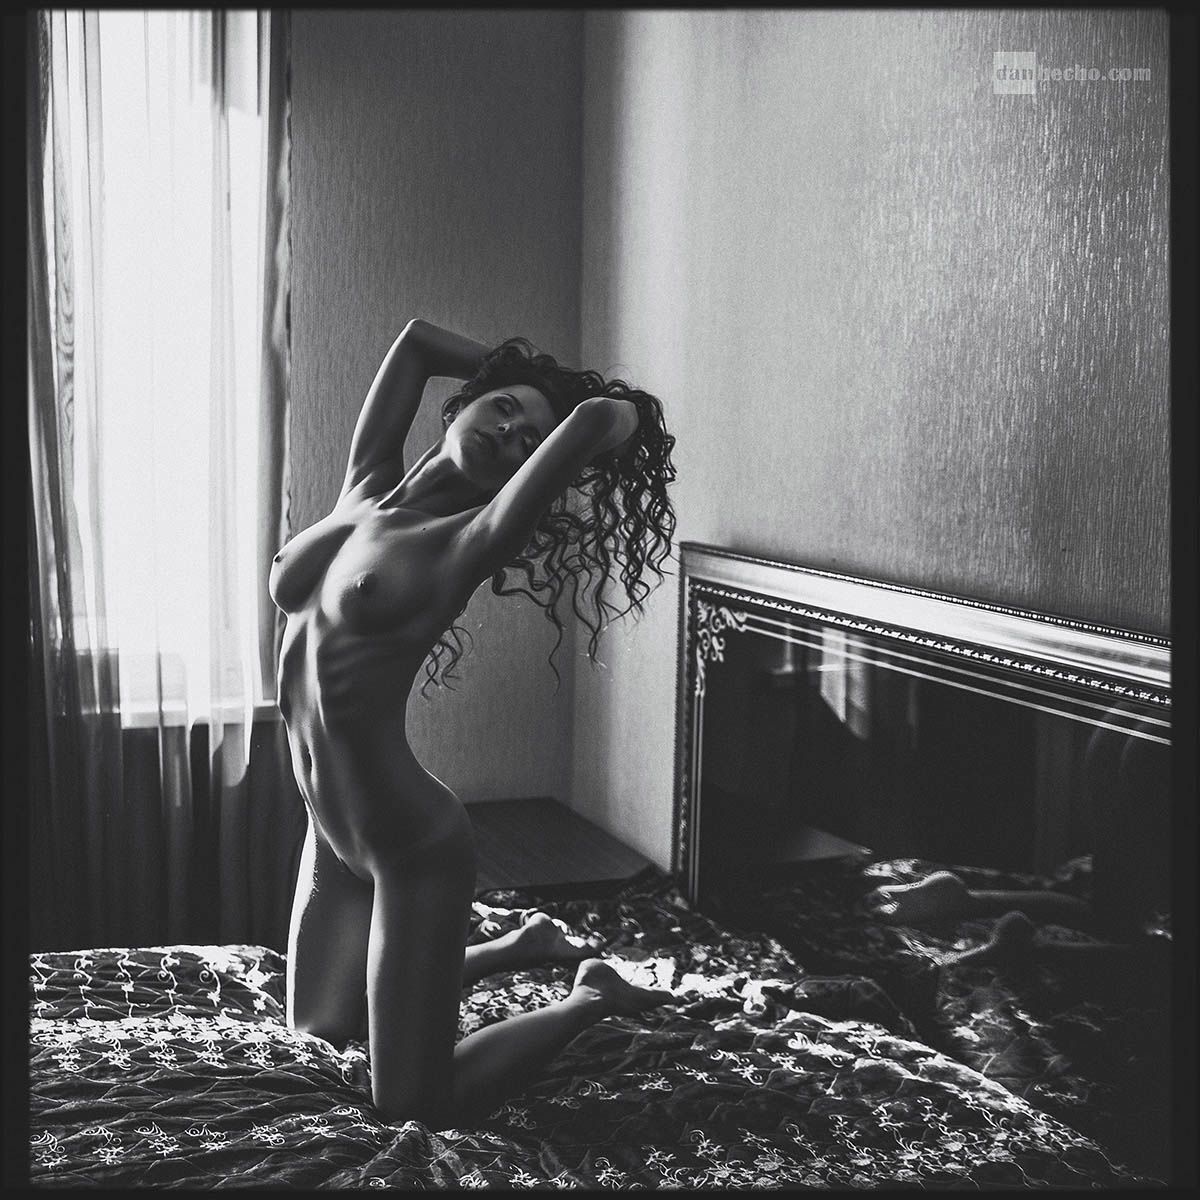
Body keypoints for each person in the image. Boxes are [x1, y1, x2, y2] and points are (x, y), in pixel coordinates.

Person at [268, 319, 679, 1126]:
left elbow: (602, 421)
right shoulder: (364, 489)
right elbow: (416, 343)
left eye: (529, 441)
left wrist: (586, 411)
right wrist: (516, 368)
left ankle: (589, 996)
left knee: (413, 1104)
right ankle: (516, 947)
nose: (509, 433)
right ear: (464, 403)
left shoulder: (468, 540)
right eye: (501, 408)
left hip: (410, 844)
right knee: (318, 1030)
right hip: (328, 832)